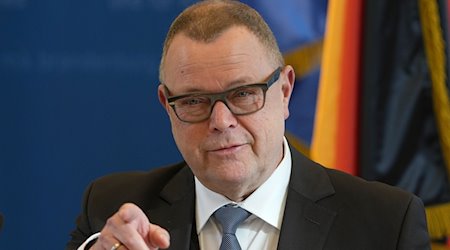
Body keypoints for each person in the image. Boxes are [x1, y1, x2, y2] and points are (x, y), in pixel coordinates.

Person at [66, 0, 430, 249]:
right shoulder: (112, 210)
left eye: (243, 94)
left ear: (285, 91)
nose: (221, 122)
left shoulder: (386, 223)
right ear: (167, 105)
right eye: (194, 101)